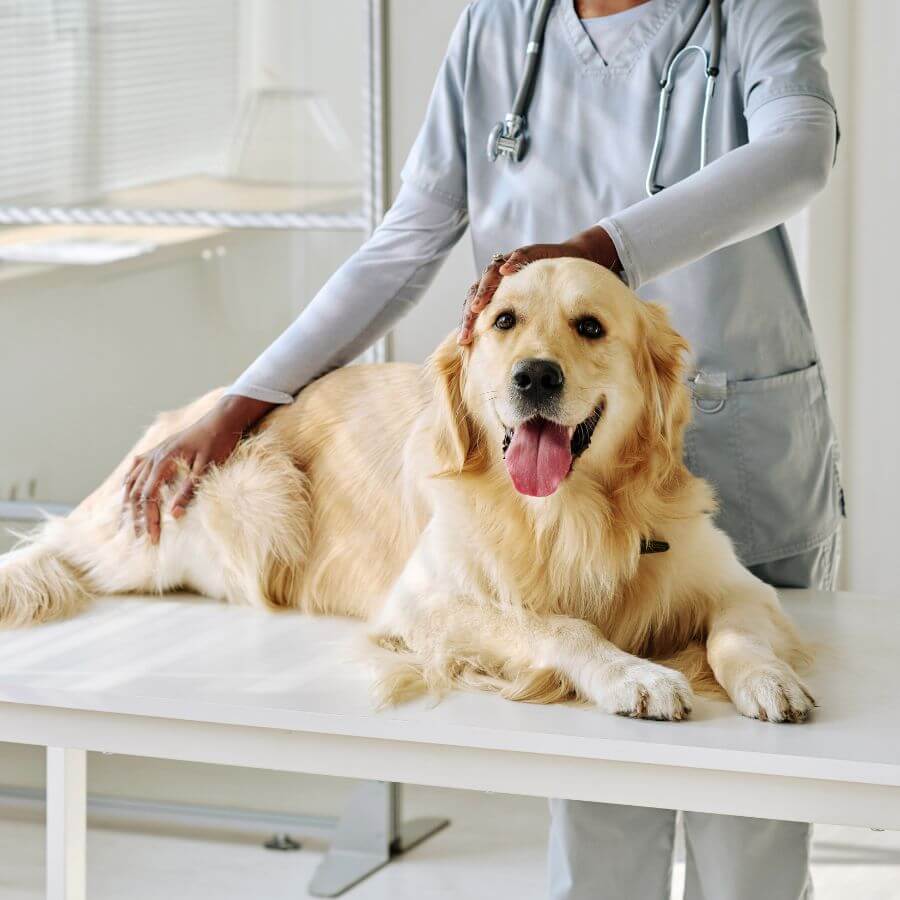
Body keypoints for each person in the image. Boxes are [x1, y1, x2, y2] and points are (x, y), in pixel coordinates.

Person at [124, 1, 843, 897]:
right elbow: (404, 243)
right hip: (559, 490)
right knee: (599, 798)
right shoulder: (500, 26)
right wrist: (244, 401)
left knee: (753, 816)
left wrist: (603, 249)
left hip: (739, 449)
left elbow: (802, 149)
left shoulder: (753, 10)